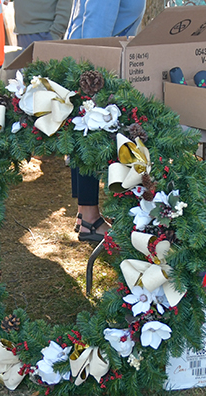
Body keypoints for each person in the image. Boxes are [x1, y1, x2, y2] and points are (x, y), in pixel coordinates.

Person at [65, 0, 147, 242]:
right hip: (97, 65)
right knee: (89, 129)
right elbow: (92, 33)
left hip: (101, 62)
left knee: (87, 130)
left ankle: (85, 213)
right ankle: (89, 217)